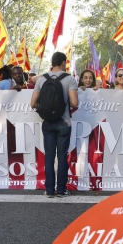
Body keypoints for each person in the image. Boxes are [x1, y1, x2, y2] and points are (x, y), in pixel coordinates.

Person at [30, 51, 78, 198]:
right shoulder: (69, 79)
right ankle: (61, 189)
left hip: (47, 123)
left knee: (49, 157)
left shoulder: (42, 79)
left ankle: (49, 190)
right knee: (62, 157)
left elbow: (32, 103)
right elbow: (75, 103)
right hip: (64, 122)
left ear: (52, 62)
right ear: (63, 62)